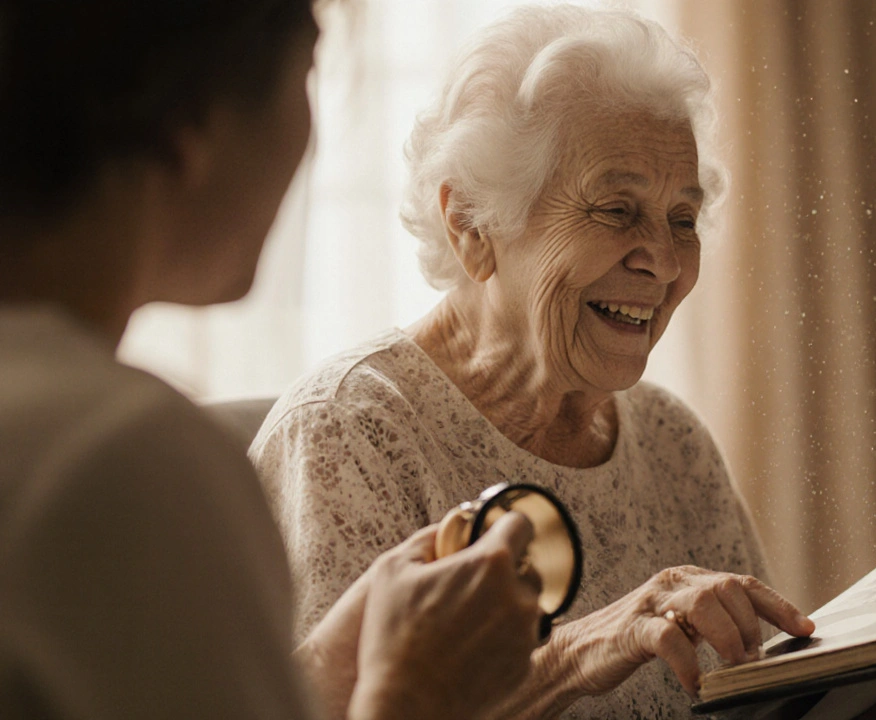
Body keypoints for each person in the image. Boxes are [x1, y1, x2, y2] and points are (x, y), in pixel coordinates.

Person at [251, 4, 876, 718]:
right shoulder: (350, 436)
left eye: (683, 218)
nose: (664, 262)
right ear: (470, 223)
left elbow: (763, 705)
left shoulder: (669, 440)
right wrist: (581, 651)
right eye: (617, 209)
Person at [0, 2, 542, 719]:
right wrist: (418, 694)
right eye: (310, 71)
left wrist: (318, 672)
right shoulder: (124, 458)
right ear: (189, 119)